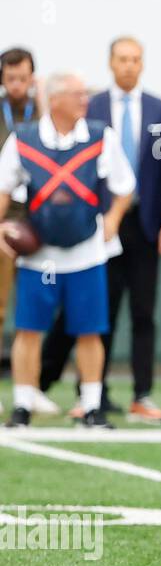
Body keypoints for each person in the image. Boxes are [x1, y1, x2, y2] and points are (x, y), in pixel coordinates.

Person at [40, 38, 161, 423]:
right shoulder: (91, 106)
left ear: (142, 64)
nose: (129, 66)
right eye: (122, 59)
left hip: (146, 224)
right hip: (101, 225)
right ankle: (92, 393)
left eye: (136, 59)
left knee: (143, 312)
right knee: (97, 310)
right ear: (110, 63)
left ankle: (143, 395)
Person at [0, 73, 135, 429]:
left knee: (90, 330)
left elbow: (124, 186)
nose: (84, 100)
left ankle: (91, 407)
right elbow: (3, 187)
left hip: (87, 252)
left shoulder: (99, 135)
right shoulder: (23, 139)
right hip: (36, 255)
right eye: (77, 94)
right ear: (56, 99)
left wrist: (114, 218)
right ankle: (22, 406)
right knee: (29, 330)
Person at [0, 48, 40, 386]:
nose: (17, 85)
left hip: (38, 221)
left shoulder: (43, 111)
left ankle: (29, 387)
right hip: (3, 220)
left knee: (35, 307)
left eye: (23, 78)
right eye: (10, 78)